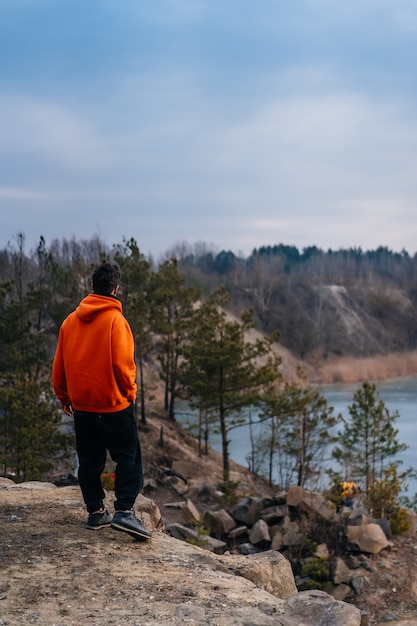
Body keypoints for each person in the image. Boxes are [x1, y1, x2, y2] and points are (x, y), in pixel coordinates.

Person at [52, 261, 151, 540]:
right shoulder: (116, 321)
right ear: (115, 288)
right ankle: (125, 512)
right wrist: (130, 392)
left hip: (82, 407)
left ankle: (96, 512)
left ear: (92, 287)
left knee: (90, 461)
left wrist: (64, 396)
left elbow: (58, 367)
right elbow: (123, 365)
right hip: (114, 406)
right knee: (128, 456)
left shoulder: (69, 322)